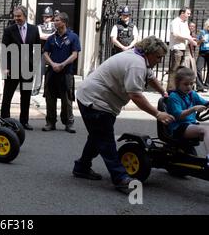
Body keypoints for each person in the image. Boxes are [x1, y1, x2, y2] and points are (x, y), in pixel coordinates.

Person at [73, 36, 175, 193]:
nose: (160, 60)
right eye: (159, 57)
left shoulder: (141, 59)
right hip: (95, 101)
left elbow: (151, 77)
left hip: (97, 99)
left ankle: (82, 167)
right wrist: (157, 113)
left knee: (97, 136)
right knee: (106, 141)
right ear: (149, 53)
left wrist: (163, 91)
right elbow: (135, 95)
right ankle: (120, 178)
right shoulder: (137, 65)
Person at [0, 5, 41, 131]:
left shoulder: (34, 30)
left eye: (19, 16)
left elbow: (38, 48)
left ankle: (24, 121)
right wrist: (5, 67)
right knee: (7, 96)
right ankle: (5, 121)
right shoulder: (9, 30)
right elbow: (3, 50)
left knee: (26, 96)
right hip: (12, 68)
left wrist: (34, 65)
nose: (16, 18)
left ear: (25, 16)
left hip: (27, 68)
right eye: (15, 16)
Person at [42, 12, 81, 133]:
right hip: (52, 72)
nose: (55, 22)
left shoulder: (73, 37)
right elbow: (45, 53)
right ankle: (50, 122)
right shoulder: (51, 38)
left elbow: (75, 54)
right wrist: (53, 64)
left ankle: (69, 123)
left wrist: (63, 64)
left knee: (67, 99)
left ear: (64, 22)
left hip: (66, 73)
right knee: (50, 98)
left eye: (57, 20)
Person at [166, 66, 209, 167]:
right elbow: (179, 116)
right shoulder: (173, 97)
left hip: (190, 125)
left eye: (191, 84)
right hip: (178, 127)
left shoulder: (192, 94)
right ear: (177, 84)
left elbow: (205, 103)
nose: (189, 87)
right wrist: (194, 109)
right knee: (206, 130)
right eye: (185, 84)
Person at [167, 7, 196, 91]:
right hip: (177, 48)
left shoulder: (185, 22)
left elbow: (186, 34)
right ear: (182, 13)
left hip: (183, 48)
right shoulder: (175, 22)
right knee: (174, 69)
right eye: (188, 13)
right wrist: (188, 38)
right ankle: (171, 89)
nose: (189, 15)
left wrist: (191, 40)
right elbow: (175, 34)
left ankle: (178, 87)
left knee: (181, 70)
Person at [33, 6, 56, 96]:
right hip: (42, 51)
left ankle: (49, 90)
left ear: (51, 17)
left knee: (51, 71)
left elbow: (55, 35)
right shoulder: (39, 27)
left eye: (48, 16)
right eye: (45, 16)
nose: (46, 18)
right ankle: (37, 88)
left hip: (52, 52)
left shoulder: (55, 26)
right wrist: (49, 36)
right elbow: (40, 36)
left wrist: (47, 37)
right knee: (39, 71)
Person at [196, 19, 209, 91]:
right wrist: (201, 40)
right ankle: (200, 86)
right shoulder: (202, 32)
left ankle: (207, 86)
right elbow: (197, 43)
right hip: (202, 52)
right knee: (198, 68)